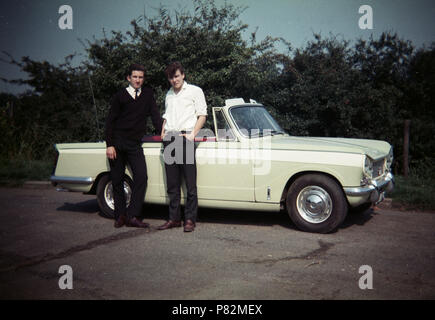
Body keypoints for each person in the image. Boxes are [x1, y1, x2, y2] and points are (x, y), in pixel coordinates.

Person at [105, 63, 162, 228]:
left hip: (135, 144)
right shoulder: (119, 96)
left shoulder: (148, 94)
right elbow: (110, 122)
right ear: (128, 78)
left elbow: (155, 116)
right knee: (117, 179)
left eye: (141, 77)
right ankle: (120, 216)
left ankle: (133, 215)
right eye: (135, 77)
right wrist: (110, 145)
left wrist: (163, 132)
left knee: (142, 177)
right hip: (117, 143)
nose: (138, 80)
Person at [158, 61, 207, 232]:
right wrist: (163, 131)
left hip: (186, 137)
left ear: (183, 75)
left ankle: (190, 220)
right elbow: (166, 116)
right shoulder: (169, 94)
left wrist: (193, 134)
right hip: (170, 139)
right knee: (172, 184)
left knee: (190, 183)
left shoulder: (195, 91)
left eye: (177, 76)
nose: (174, 80)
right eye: (171, 78)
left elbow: (202, 114)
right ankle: (174, 219)